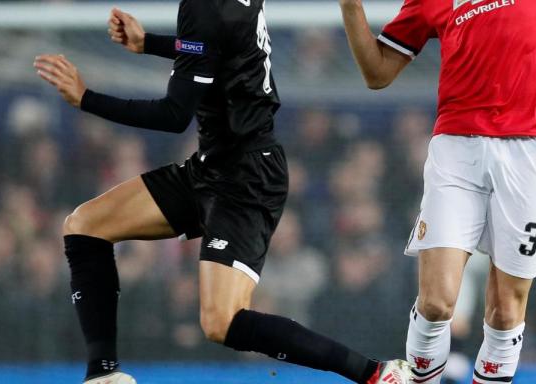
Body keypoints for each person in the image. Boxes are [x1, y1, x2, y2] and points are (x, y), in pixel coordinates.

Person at [32, 3, 411, 383]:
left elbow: (173, 115)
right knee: (85, 225)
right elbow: (213, 48)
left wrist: (85, 98)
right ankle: (104, 374)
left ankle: (377, 374)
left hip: (246, 178)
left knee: (221, 322)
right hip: (213, 165)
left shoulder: (205, 5)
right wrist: (148, 43)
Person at [337, 0, 536, 381]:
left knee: (506, 310)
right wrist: (350, 7)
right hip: (457, 143)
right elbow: (377, 72)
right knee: (435, 303)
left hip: (533, 143)